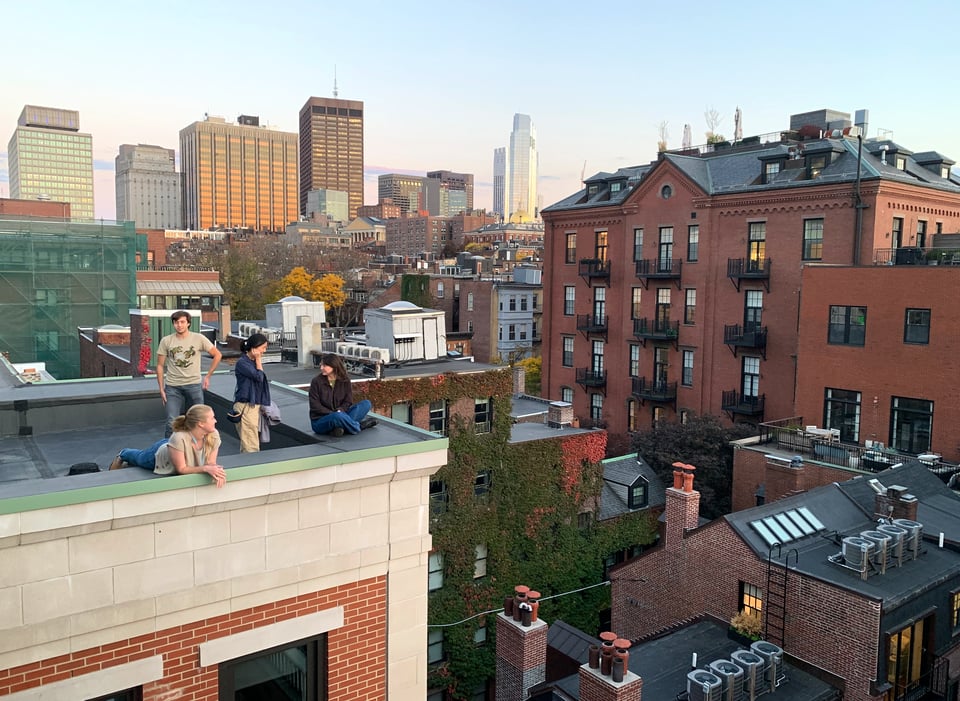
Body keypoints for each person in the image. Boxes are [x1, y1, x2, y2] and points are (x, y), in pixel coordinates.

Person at [109, 404, 226, 488]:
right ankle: (123, 453)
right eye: (212, 418)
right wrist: (205, 469)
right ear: (200, 423)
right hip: (161, 456)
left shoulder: (213, 435)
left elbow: (211, 462)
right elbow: (181, 469)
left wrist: (216, 472)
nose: (215, 421)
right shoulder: (179, 437)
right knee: (139, 458)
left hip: (176, 447)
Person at [156, 310, 222, 437]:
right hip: (173, 386)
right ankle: (169, 451)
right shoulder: (166, 341)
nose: (179, 325)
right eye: (176, 322)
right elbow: (160, 365)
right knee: (172, 422)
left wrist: (208, 376)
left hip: (194, 385)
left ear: (188, 323)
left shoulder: (198, 338)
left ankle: (198, 449)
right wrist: (161, 389)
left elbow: (217, 355)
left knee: (199, 420)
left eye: (182, 322)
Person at [308, 354, 377, 437]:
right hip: (321, 420)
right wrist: (333, 413)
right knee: (337, 416)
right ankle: (359, 426)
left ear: (334, 366)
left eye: (324, 365)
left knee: (366, 404)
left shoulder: (345, 380)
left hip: (341, 414)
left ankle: (338, 428)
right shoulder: (316, 381)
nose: (321, 368)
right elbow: (315, 406)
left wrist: (341, 410)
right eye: (321, 365)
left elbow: (348, 401)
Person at [233, 333, 271, 453]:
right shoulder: (243, 363)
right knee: (250, 445)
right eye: (263, 348)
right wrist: (259, 360)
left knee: (249, 441)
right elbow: (259, 377)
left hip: (253, 406)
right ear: (255, 347)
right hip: (246, 406)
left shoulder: (251, 362)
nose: (264, 351)